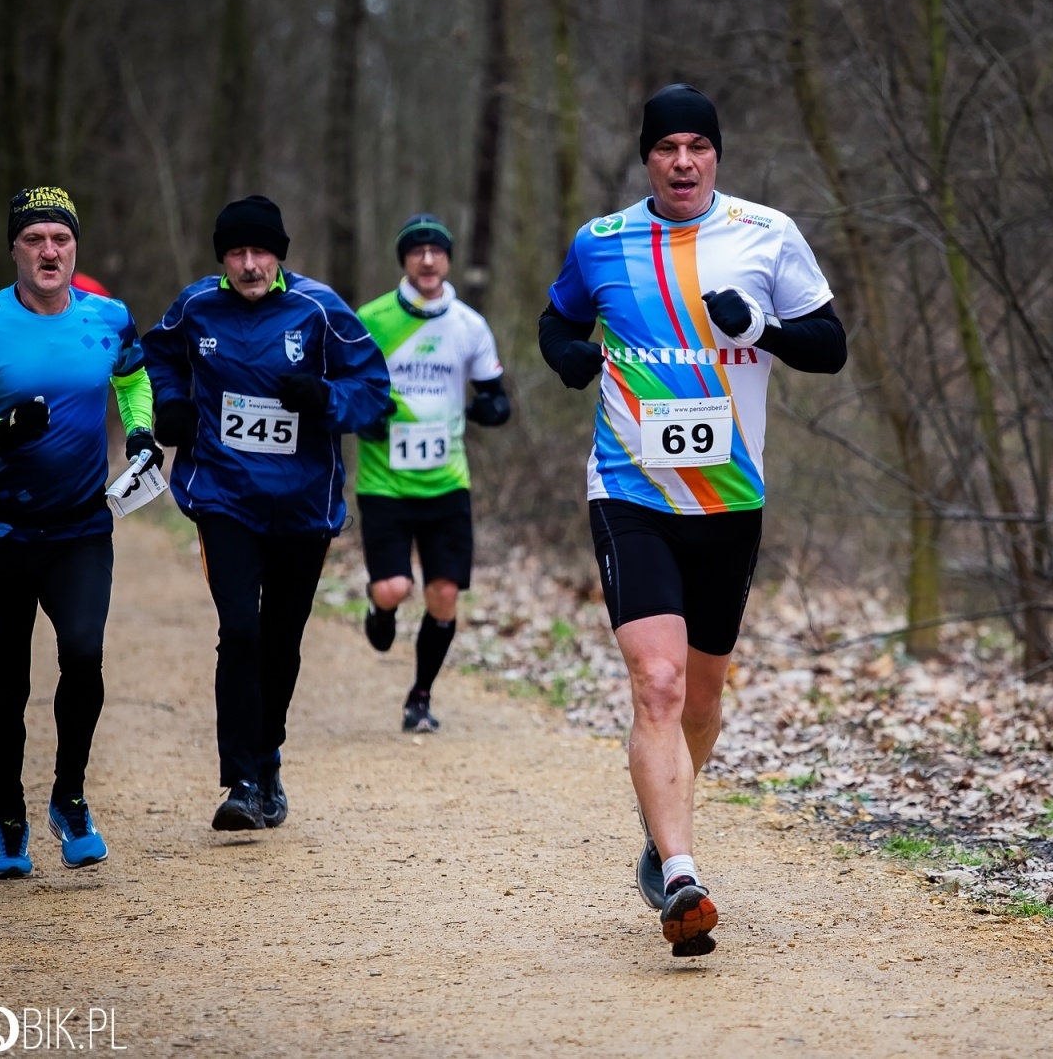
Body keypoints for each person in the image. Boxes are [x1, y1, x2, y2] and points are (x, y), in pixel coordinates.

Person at [539, 83, 846, 955]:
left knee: (702, 698)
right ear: (647, 158)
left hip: (729, 501)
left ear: (716, 156)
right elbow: (553, 322)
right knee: (659, 685)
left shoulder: (767, 235)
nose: (682, 161)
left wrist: (766, 329)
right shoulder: (602, 242)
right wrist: (569, 356)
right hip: (630, 489)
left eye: (697, 147)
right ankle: (681, 874)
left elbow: (831, 346)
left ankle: (661, 819)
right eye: (666, 147)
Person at [0, 187, 161, 878]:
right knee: (7, 687)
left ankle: (69, 798)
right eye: (34, 239)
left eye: (60, 238)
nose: (49, 251)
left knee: (83, 658)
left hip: (82, 527)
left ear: (74, 246)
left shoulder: (108, 318)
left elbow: (134, 383)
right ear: (15, 250)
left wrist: (140, 429)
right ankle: (9, 819)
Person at [143, 195, 390, 832]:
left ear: (280, 254)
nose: (250, 265)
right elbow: (158, 357)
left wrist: (326, 398)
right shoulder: (197, 306)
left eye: (260, 252)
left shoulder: (319, 310)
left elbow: (375, 393)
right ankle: (243, 779)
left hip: (303, 504)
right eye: (237, 253)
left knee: (280, 639)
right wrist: (171, 405)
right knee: (241, 632)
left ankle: (268, 754)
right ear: (222, 257)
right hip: (222, 496)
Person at [353, 214, 509, 732]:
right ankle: (380, 610)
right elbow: (342, 384)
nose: (426, 259)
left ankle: (420, 696)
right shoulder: (371, 319)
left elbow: (493, 392)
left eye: (436, 251)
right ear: (403, 260)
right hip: (385, 481)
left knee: (444, 594)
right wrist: (361, 415)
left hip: (447, 480)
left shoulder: (469, 325)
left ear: (447, 259)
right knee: (395, 587)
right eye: (416, 250)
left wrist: (494, 408)